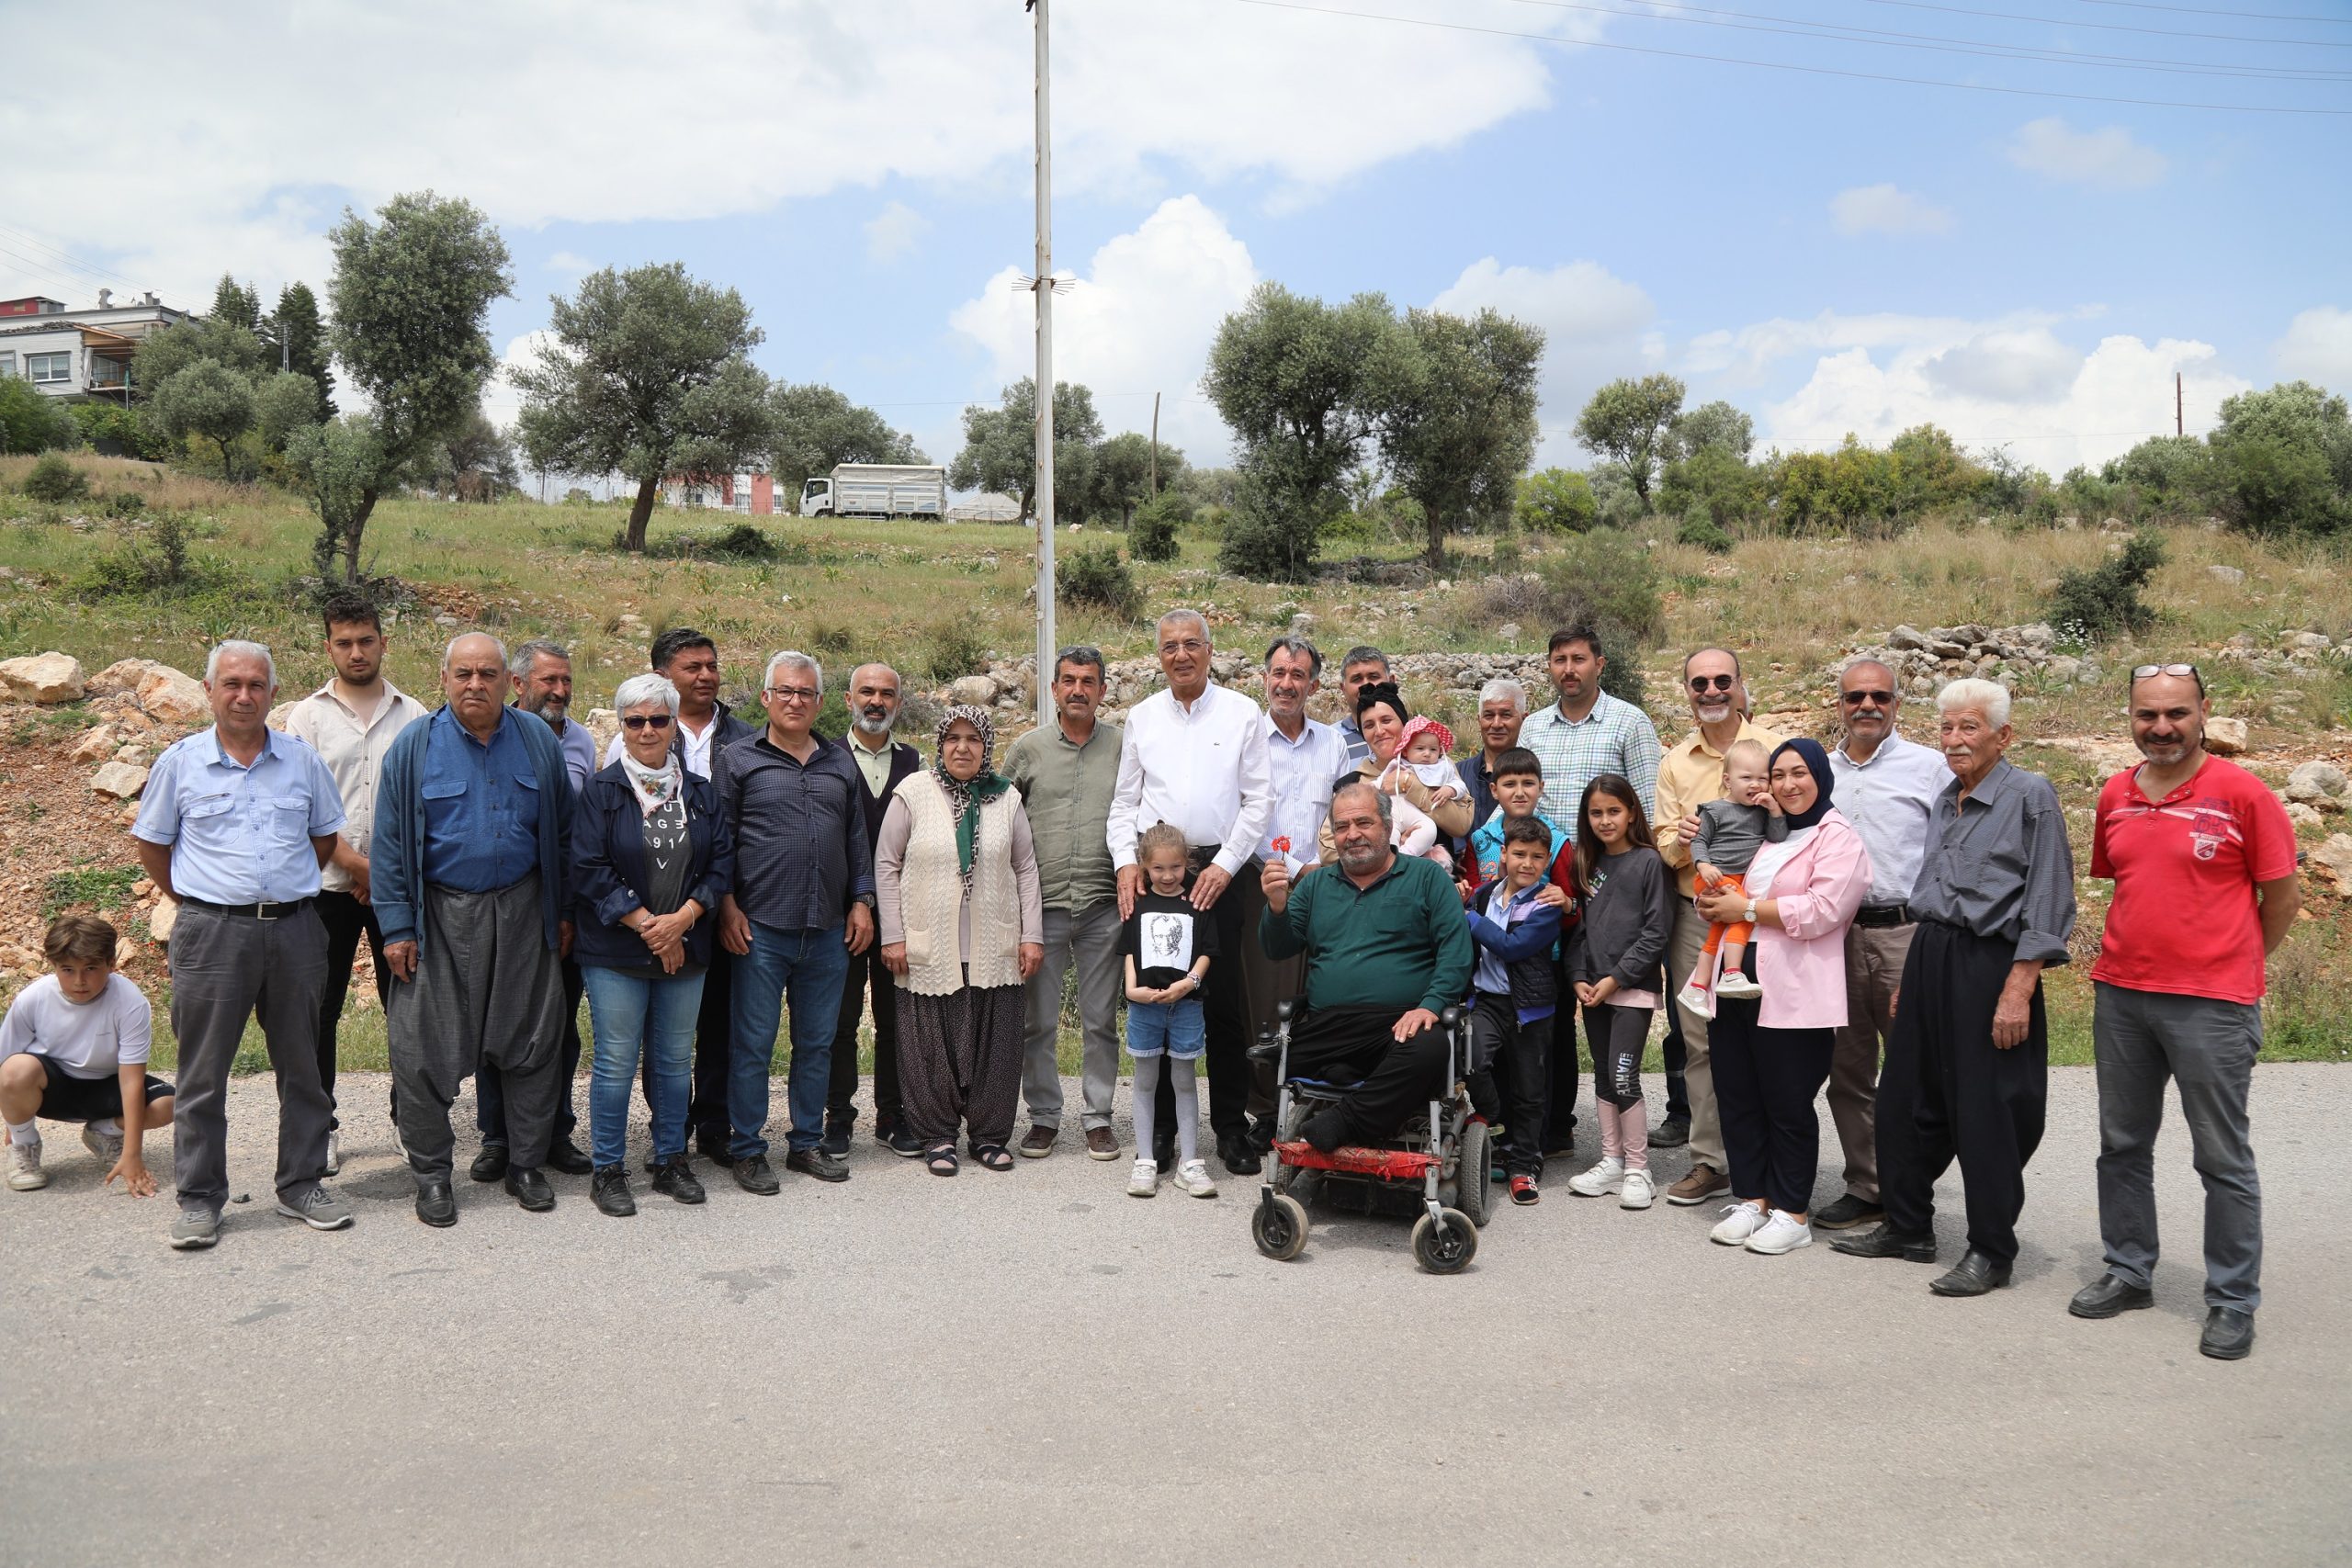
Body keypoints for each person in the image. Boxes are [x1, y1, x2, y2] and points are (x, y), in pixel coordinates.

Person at [2074, 664, 2298, 1361]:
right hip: (2123, 995)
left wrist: (2234, 964)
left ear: (2205, 711)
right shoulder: (2116, 791)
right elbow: (2127, 883)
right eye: (2147, 715)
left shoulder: (2243, 793)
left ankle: (2232, 1300)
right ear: (2131, 717)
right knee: (2122, 1144)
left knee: (2221, 1156)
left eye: (2176, 712)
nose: (2161, 727)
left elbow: (2281, 898)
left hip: (2212, 1005)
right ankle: (2128, 1269)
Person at [1832, 679, 2076, 1298]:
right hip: (1930, 953)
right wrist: (1912, 976)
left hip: (1991, 963)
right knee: (1903, 1099)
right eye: (1946, 727)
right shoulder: (1946, 797)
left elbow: (2048, 897)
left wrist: (2020, 986)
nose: (1955, 739)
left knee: (1987, 1110)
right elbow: (1934, 890)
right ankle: (1908, 1226)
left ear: (2003, 735)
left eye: (1970, 727)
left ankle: (1992, 1248)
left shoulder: (2031, 796)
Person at [131, 640, 351, 1250]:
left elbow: (325, 838)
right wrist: (204, 899)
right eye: (231, 683)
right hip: (211, 933)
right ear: (208, 690)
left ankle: (302, 1183)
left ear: (273, 693)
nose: (243, 694)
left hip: (297, 930)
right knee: (202, 1073)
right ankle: (201, 1198)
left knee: (303, 1065)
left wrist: (278, 892)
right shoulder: (181, 762)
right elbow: (153, 844)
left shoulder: (302, 762)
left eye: (256, 684)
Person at [374, 633, 576, 1228]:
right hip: (438, 918)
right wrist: (396, 927)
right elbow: (388, 846)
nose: (475, 684)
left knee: (534, 1045)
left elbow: (562, 835)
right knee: (421, 1053)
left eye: (487, 673)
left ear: (507, 682)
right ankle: (434, 1176)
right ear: (444, 678)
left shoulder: (537, 739)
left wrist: (562, 912)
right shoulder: (414, 747)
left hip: (524, 912)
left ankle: (526, 1165)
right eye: (463, 673)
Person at [1108, 609, 1273, 1176]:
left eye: (1192, 645)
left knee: (1222, 1004)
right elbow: (1124, 802)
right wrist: (1127, 862)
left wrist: (1226, 867)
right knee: (1157, 996)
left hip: (1217, 876)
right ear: (1160, 656)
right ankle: (1160, 1135)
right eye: (1170, 647)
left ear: (1210, 650)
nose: (1181, 655)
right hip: (1157, 878)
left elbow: (1259, 801)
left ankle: (1228, 1128)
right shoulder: (1143, 717)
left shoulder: (1242, 711)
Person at [570, 673, 737, 1217]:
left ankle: (670, 1160)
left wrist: (683, 919)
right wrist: (650, 926)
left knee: (671, 1061)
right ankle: (608, 1169)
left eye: (658, 720)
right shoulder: (601, 791)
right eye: (635, 721)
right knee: (616, 1061)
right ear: (621, 727)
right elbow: (589, 869)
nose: (647, 730)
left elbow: (719, 865)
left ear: (673, 727)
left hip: (685, 946)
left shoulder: (701, 793)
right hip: (617, 951)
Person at [1697, 740, 1871, 1258]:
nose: (1788, 784)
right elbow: (1725, 876)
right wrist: (1716, 901)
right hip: (1738, 981)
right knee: (1738, 1090)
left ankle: (1793, 1212)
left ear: (1820, 776)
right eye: (1778, 775)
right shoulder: (1770, 835)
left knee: (1787, 1100)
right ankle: (1753, 1198)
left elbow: (1823, 909)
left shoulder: (1837, 838)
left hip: (1795, 985)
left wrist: (1745, 906)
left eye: (1800, 773)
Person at [717, 650, 875, 1192]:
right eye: (784, 691)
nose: (794, 701)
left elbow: (857, 837)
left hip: (828, 928)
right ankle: (746, 1147)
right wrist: (727, 905)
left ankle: (806, 1143)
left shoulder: (838, 761)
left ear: (820, 703)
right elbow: (722, 842)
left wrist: (861, 901)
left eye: (805, 693)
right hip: (760, 928)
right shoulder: (737, 760)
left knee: (818, 1042)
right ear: (765, 697)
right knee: (754, 1042)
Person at [282, 588, 426, 1174]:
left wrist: (384, 874)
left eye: (366, 640)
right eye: (344, 642)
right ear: (329, 647)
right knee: (319, 1010)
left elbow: (424, 805)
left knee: (409, 1007)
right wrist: (355, 865)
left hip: (399, 890)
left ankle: (410, 1120)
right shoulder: (306, 717)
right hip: (325, 889)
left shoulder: (414, 714)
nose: (357, 652)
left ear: (383, 643)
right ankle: (321, 1127)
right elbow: (301, 804)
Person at [608, 628, 757, 1164]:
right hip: (649, 913)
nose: (706, 675)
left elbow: (734, 833)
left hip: (721, 900)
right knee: (658, 1033)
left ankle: (714, 1126)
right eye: (692, 667)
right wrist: (654, 920)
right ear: (662, 677)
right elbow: (611, 834)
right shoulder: (640, 734)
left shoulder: (746, 737)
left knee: (718, 1018)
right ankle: (668, 1128)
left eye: (711, 665)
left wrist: (719, 902)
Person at [1259, 782, 1475, 1151]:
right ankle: (1365, 1088)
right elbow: (1277, 948)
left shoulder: (1428, 878)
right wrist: (1277, 906)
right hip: (1332, 1025)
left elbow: (1456, 953)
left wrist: (1430, 1005)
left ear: (1388, 827)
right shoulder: (1315, 885)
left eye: (1363, 823)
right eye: (1342, 827)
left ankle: (1345, 1121)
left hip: (1398, 1023)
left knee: (1430, 1049)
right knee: (1271, 1054)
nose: (1352, 834)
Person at [876, 706, 1045, 1177]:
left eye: (974, 739)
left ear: (987, 746)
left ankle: (989, 1136)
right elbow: (886, 866)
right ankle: (938, 1136)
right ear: (940, 744)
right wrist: (893, 935)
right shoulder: (912, 793)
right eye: (953, 738)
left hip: (995, 944)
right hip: (928, 945)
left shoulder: (1005, 798)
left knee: (996, 1043)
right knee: (930, 1044)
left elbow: (1025, 868)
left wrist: (1032, 934)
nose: (963, 748)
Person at [1819, 658, 1950, 1231]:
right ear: (1840, 704)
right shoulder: (1820, 772)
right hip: (1837, 937)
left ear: (1897, 702)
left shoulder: (1931, 768)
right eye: (1854, 697)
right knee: (1847, 1071)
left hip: (1906, 934)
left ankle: (1911, 1190)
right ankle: (1867, 1185)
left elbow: (1951, 854)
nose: (1866, 706)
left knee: (1916, 1069)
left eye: (1879, 696)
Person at [1654, 647, 1783, 1204]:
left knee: (1774, 1035)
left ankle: (1777, 1159)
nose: (1711, 691)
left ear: (1739, 684)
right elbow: (1662, 842)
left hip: (1772, 917)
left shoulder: (1779, 749)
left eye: (1721, 680)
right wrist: (1684, 843)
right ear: (1686, 690)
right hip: (1698, 913)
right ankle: (1712, 1160)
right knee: (1700, 1036)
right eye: (1699, 683)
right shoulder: (1676, 762)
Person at [474, 637, 595, 1180]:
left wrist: (570, 910)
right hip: (502, 907)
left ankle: (555, 1132)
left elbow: (580, 835)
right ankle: (498, 1138)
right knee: (494, 1024)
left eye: (567, 681)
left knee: (559, 1029)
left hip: (564, 909)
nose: (561, 691)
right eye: (550, 680)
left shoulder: (582, 744)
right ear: (518, 684)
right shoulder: (496, 739)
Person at [1003, 649, 1123, 1161]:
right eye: (1069, 680)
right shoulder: (1027, 749)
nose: (1078, 689)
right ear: (1052, 689)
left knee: (1099, 1021)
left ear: (1102, 690)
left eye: (1088, 681)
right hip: (1041, 907)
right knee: (1039, 1021)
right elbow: (998, 814)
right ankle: (1044, 1117)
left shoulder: (1124, 747)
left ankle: (1098, 1118)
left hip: (1104, 905)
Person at [1246, 636, 1349, 1149]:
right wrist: (1281, 865)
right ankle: (1264, 1112)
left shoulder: (1331, 742)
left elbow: (1342, 809)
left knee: (1321, 996)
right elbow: (1235, 811)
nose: (1287, 684)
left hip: (1322, 883)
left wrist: (1319, 863)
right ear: (1265, 677)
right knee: (1268, 998)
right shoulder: (1247, 737)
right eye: (1279, 673)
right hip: (1260, 880)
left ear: (1313, 683)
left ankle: (1313, 1103)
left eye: (1298, 675)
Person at [1556, 773, 1675, 1213]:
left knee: (1624, 1076)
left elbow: (1655, 933)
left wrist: (1617, 978)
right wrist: (1578, 977)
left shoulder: (1649, 862)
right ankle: (1611, 1160)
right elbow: (1581, 933)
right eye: (1596, 812)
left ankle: (1638, 1169)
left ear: (1631, 814)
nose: (1605, 820)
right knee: (1605, 1076)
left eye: (1614, 811)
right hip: (1594, 991)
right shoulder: (1588, 864)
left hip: (1630, 990)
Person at [2, 917, 174, 1196]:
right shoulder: (34, 998)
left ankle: (104, 1132)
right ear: (53, 966)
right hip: (51, 1089)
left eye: (91, 969)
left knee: (170, 1104)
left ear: (111, 964)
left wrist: (132, 1154)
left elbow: (131, 1081)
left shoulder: (130, 1002)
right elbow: (4, 1062)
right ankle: (24, 1146)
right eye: (67, 970)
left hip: (105, 1086)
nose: (79, 981)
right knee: (16, 1069)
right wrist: (13, 1126)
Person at [829, 661, 923, 1158]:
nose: (876, 701)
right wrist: (853, 902)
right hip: (839, 916)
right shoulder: (826, 758)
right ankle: (838, 1118)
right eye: (867, 691)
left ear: (899, 704)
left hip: (899, 917)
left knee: (896, 1021)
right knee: (839, 1022)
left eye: (887, 694)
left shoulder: (916, 765)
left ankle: (894, 1115)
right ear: (848, 699)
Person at [1463, 816, 1565, 1204]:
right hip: (1487, 1002)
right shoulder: (1485, 895)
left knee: (1529, 1091)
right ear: (1503, 854)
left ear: (1546, 861)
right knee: (1471, 1059)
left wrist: (1470, 918)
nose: (1527, 864)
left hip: (1530, 1009)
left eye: (1537, 857)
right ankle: (1490, 1116)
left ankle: (1524, 1166)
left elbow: (1513, 947)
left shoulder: (1546, 904)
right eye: (1519, 854)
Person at [1122, 821, 1219, 1199]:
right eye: (1158, 869)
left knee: (1184, 1081)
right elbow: (1129, 949)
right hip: (1145, 1005)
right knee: (1145, 1081)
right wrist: (1131, 989)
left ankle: (1190, 1163)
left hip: (1187, 1004)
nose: (1167, 876)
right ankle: (1145, 1159)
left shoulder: (1196, 902)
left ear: (1187, 865)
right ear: (1145, 866)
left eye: (1175, 868)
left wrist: (1189, 983)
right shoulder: (1139, 902)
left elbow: (1208, 951)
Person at [1677, 739, 1785, 1009]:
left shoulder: (1761, 812)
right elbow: (1698, 840)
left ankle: (1697, 987)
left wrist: (1774, 810)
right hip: (1714, 876)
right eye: (1746, 777)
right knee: (1745, 913)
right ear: (1728, 780)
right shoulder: (1715, 810)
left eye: (1763, 778)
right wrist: (1703, 865)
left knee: (1717, 934)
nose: (1755, 785)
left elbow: (1777, 837)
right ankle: (1732, 974)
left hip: (1739, 880)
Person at [1315, 684, 1472, 862]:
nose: (1379, 731)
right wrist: (1386, 852)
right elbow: (1328, 851)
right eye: (1369, 725)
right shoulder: (1352, 783)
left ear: (1405, 725)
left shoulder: (1440, 767)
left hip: (1431, 882)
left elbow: (1461, 823)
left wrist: (1410, 784)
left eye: (1386, 720)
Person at [1465, 748, 1566, 887]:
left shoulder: (1556, 842)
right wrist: (1498, 879)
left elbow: (1570, 901)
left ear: (1540, 788)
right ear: (1494, 790)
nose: (1519, 793)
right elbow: (1470, 896)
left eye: (1528, 783)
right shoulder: (1479, 839)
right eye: (1509, 784)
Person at [1383, 715, 1464, 864]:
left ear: (1439, 751)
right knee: (1388, 829)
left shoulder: (1442, 768)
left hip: (1419, 816)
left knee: (1429, 829)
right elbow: (1381, 782)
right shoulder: (1399, 765)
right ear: (1406, 750)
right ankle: (1392, 854)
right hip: (1395, 811)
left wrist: (1450, 789)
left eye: (1433, 749)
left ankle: (1407, 854)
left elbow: (1460, 786)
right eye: (1420, 748)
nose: (1427, 753)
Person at [1457, 678, 1530, 833]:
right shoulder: (1457, 774)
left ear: (1524, 719)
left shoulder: (1534, 777)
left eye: (1505, 715)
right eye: (1489, 715)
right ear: (1479, 720)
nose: (1496, 724)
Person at [1334, 645, 1392, 767]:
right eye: (1357, 679)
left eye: (1373, 677)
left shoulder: (1415, 733)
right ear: (1343, 689)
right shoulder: (1329, 739)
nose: (1366, 685)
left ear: (1391, 681)